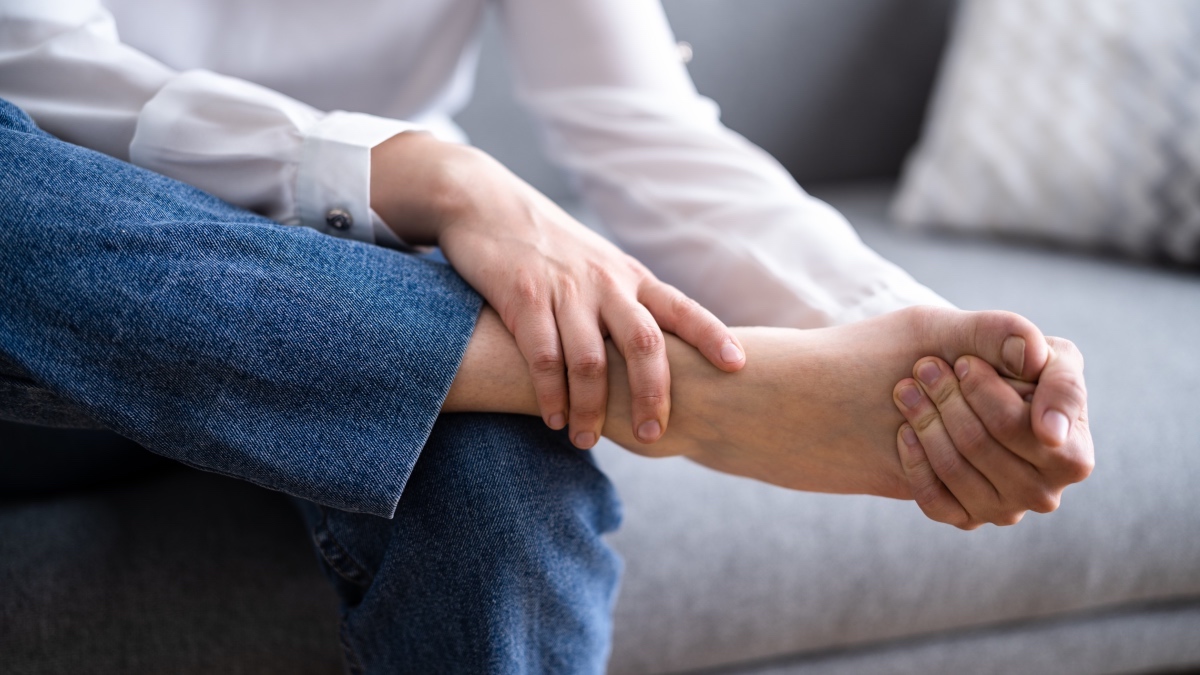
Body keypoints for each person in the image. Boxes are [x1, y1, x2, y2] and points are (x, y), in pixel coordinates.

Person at [0, 1, 1094, 672]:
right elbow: (32, 72)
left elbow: (646, 131)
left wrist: (906, 348)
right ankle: (675, 396)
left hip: (358, 322)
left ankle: (528, 373)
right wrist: (430, 172)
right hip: (43, 319)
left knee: (504, 466)